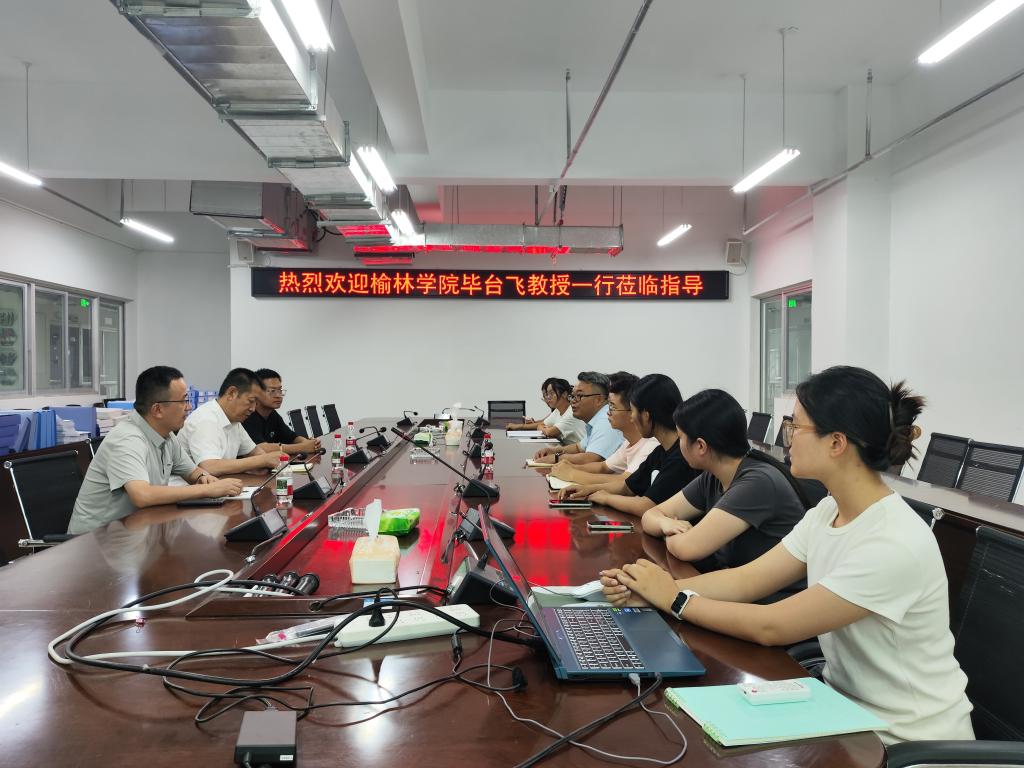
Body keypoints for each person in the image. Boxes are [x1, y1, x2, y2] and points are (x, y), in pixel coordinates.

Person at [601, 366, 974, 745]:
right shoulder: (828, 512)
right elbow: (745, 580)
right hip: (843, 709)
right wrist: (655, 590)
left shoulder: (892, 542)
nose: (787, 436)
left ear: (836, 443)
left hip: (903, 738)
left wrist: (675, 599)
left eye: (796, 425)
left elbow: (772, 626)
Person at [640, 389, 810, 598]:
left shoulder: (756, 482)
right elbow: (650, 516)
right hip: (738, 591)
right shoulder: (713, 476)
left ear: (701, 446)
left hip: (772, 602)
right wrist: (666, 524)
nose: (679, 444)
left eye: (681, 437)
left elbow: (688, 548)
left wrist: (669, 532)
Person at [67, 366, 243, 535]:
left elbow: (193, 472)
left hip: (135, 530)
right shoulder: (127, 440)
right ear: (157, 409)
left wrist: (203, 478)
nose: (189, 407)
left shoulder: (166, 435)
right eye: (183, 401)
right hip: (95, 541)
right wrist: (207, 490)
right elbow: (142, 495)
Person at [560, 373, 698, 516]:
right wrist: (589, 489)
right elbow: (627, 486)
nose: (632, 417)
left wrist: (606, 498)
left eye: (633, 411)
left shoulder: (680, 457)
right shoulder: (660, 452)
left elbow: (647, 505)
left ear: (646, 416)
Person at [549, 371, 657, 485]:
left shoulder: (650, 445)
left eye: (612, 406)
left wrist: (572, 474)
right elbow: (603, 466)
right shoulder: (628, 443)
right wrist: (571, 467)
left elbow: (625, 482)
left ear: (632, 412)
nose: (608, 412)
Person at [179, 367, 282, 476]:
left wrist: (268, 461)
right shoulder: (206, 419)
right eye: (251, 401)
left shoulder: (234, 421)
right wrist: (262, 460)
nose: (253, 409)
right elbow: (209, 467)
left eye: (256, 403)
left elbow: (255, 453)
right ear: (232, 393)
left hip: (220, 483)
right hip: (187, 486)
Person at [532, 371, 623, 465]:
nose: (573, 401)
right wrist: (554, 451)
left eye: (579, 395)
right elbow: (579, 447)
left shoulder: (606, 420)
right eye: (572, 396)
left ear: (599, 399)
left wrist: (557, 458)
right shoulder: (596, 419)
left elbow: (591, 459)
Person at [243, 368, 321, 456]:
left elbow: (292, 438)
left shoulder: (273, 414)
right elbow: (260, 448)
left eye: (280, 390)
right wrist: (303, 447)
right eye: (272, 391)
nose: (278, 395)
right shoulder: (247, 415)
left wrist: (308, 443)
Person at [506, 377, 586, 445]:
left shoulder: (571, 413)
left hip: (580, 453)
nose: (548, 397)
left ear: (564, 394)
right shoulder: (558, 410)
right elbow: (541, 425)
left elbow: (549, 432)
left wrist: (545, 429)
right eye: (547, 394)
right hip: (566, 448)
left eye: (551, 393)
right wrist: (544, 428)